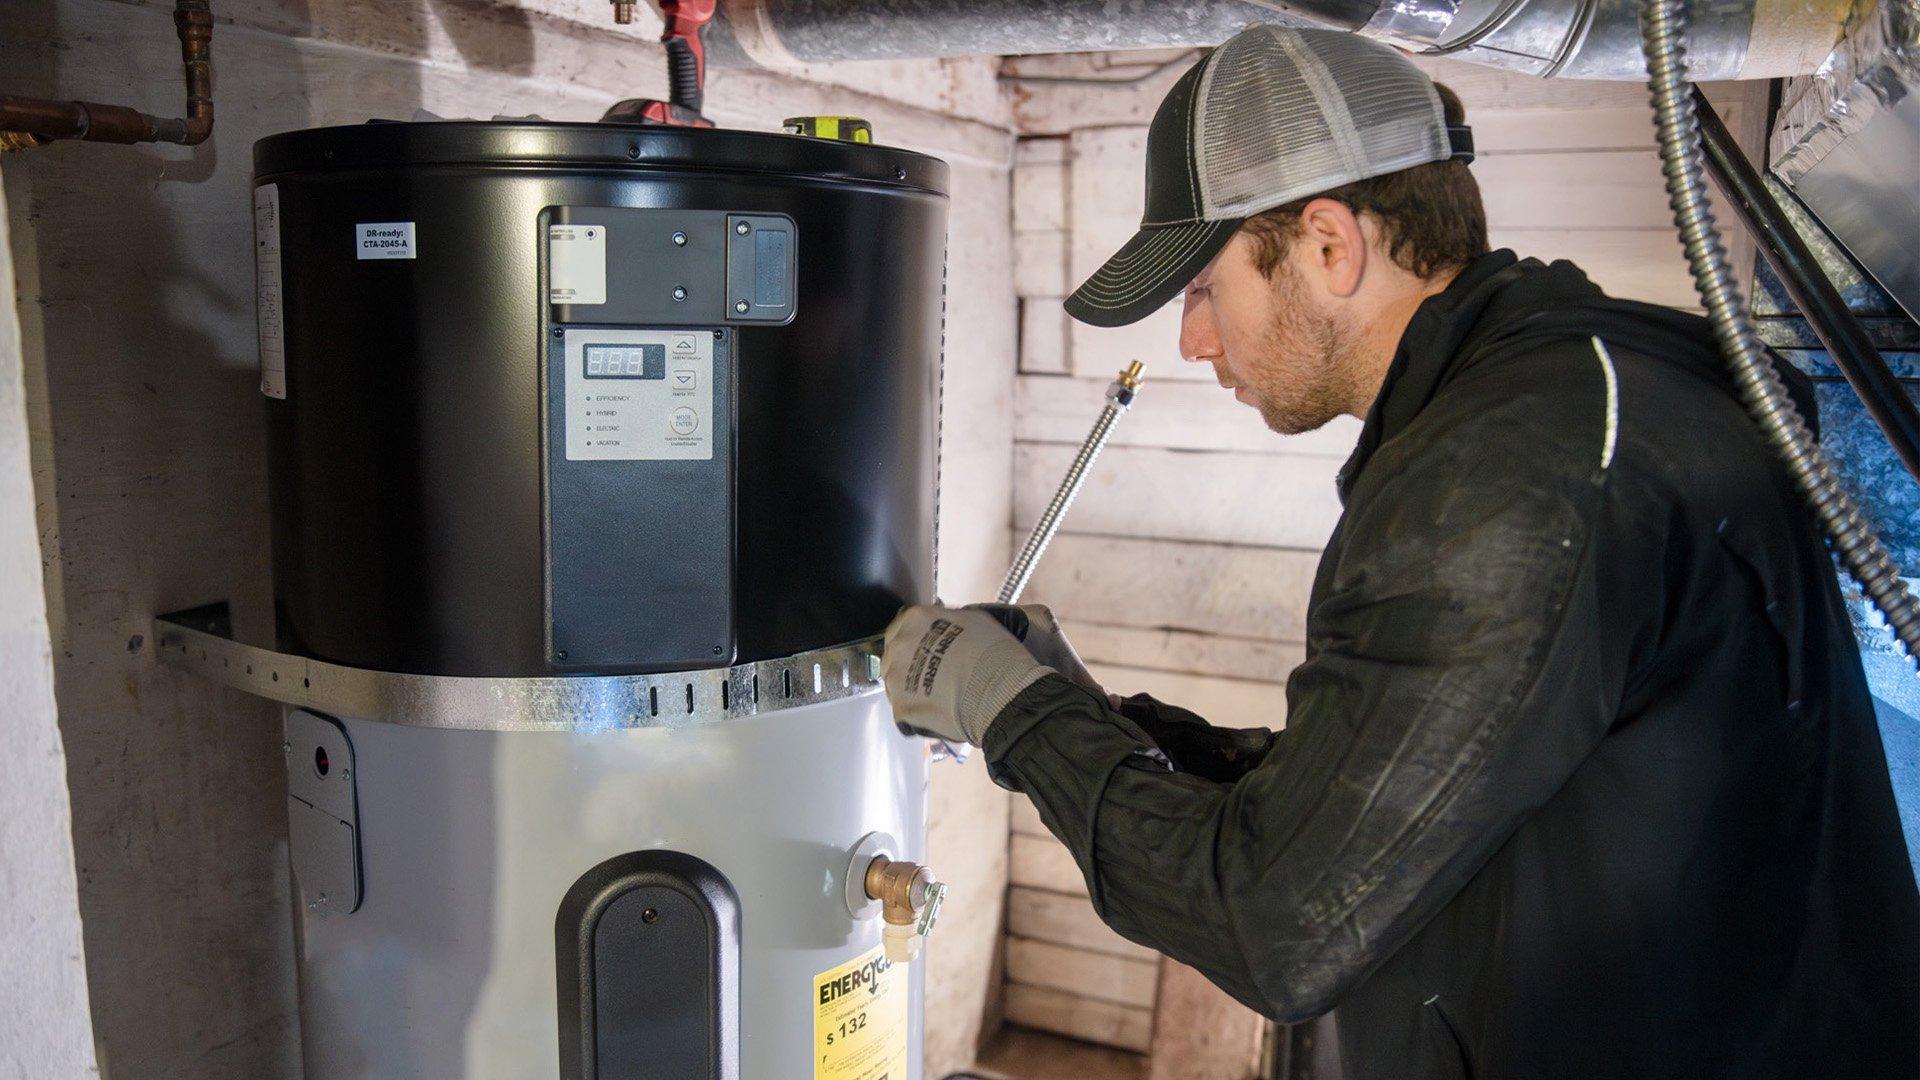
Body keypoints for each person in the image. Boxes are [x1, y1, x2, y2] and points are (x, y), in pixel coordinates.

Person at [882, 24, 1918, 1080]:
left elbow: (1277, 923)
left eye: (1204, 287)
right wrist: (1086, 714)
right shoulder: (1566, 396)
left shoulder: (1510, 471)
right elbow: (1395, 791)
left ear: (1329, 246)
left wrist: (1016, 716)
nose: (1194, 340)